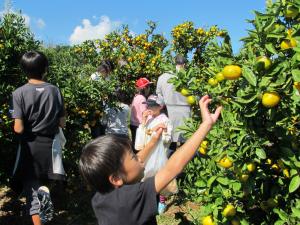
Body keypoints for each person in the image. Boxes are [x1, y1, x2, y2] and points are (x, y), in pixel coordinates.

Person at [79, 95, 222, 225]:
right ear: (116, 179)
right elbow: (172, 168)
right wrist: (206, 125)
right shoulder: (132, 198)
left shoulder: (100, 197)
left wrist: (153, 141)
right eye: (133, 156)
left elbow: (138, 159)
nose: (139, 158)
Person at [11, 51, 66, 225]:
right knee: (43, 184)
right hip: (50, 146)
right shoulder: (55, 91)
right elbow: (62, 123)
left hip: (30, 147)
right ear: (45, 69)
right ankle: (44, 203)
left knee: (32, 192)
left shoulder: (18, 93)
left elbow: (18, 128)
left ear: (23, 70)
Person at [135, 95, 172, 214]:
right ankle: (147, 199)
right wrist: (144, 121)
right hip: (148, 154)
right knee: (146, 177)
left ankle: (162, 201)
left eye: (152, 105)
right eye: (148, 105)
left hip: (159, 155)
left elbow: (167, 139)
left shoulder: (165, 120)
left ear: (160, 106)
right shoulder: (149, 118)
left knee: (160, 177)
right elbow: (142, 137)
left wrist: (160, 132)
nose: (149, 107)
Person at [156, 54, 191, 157]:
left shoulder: (163, 77)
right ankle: (183, 165)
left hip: (169, 111)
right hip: (185, 112)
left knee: (170, 140)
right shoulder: (188, 77)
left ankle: (168, 163)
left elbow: (160, 98)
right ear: (184, 64)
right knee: (185, 141)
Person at [90, 59, 115, 138]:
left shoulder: (108, 78)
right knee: (96, 132)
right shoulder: (94, 77)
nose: (109, 72)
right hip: (96, 109)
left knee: (103, 132)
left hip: (105, 109)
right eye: (108, 70)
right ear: (103, 68)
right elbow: (90, 92)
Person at [130, 77, 152, 148]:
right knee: (139, 146)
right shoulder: (142, 98)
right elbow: (144, 113)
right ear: (145, 88)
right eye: (148, 87)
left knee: (135, 145)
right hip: (138, 125)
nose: (149, 89)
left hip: (133, 124)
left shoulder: (136, 97)